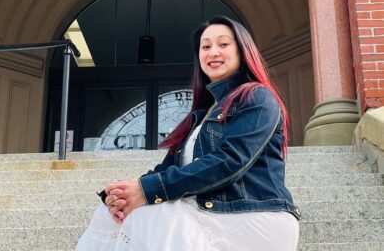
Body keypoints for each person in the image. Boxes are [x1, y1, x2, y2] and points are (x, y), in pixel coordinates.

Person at [76, 16, 301, 251]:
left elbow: (230, 161)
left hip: (253, 214)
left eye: (223, 44)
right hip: (207, 212)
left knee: (147, 217)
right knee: (107, 214)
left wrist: (148, 190)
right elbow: (165, 171)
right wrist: (121, 195)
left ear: (243, 51)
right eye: (206, 47)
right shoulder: (200, 116)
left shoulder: (257, 96)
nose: (213, 52)